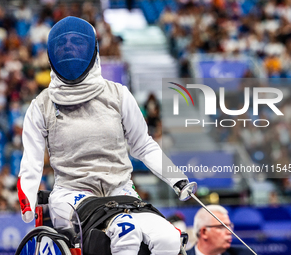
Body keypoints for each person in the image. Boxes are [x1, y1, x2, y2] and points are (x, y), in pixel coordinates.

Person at [17, 16, 195, 255]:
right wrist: (28, 200)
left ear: (92, 48)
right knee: (127, 232)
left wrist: (177, 179)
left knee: (169, 238)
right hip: (71, 194)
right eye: (63, 43)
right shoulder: (42, 105)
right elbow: (32, 161)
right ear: (52, 52)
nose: (68, 47)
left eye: (76, 42)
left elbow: (143, 144)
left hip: (119, 191)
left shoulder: (118, 95)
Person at [186, 205, 254, 255]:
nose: (230, 231)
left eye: (230, 226)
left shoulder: (247, 253)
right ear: (204, 232)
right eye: (222, 227)